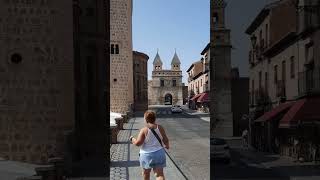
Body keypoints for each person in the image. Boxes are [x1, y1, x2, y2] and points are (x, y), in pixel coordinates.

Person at [130, 110, 169, 180]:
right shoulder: (160, 127)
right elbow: (165, 139)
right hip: (159, 153)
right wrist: (167, 145)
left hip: (146, 155)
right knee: (159, 175)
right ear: (155, 118)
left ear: (145, 119)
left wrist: (132, 139)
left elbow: (138, 143)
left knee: (146, 173)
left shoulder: (144, 130)